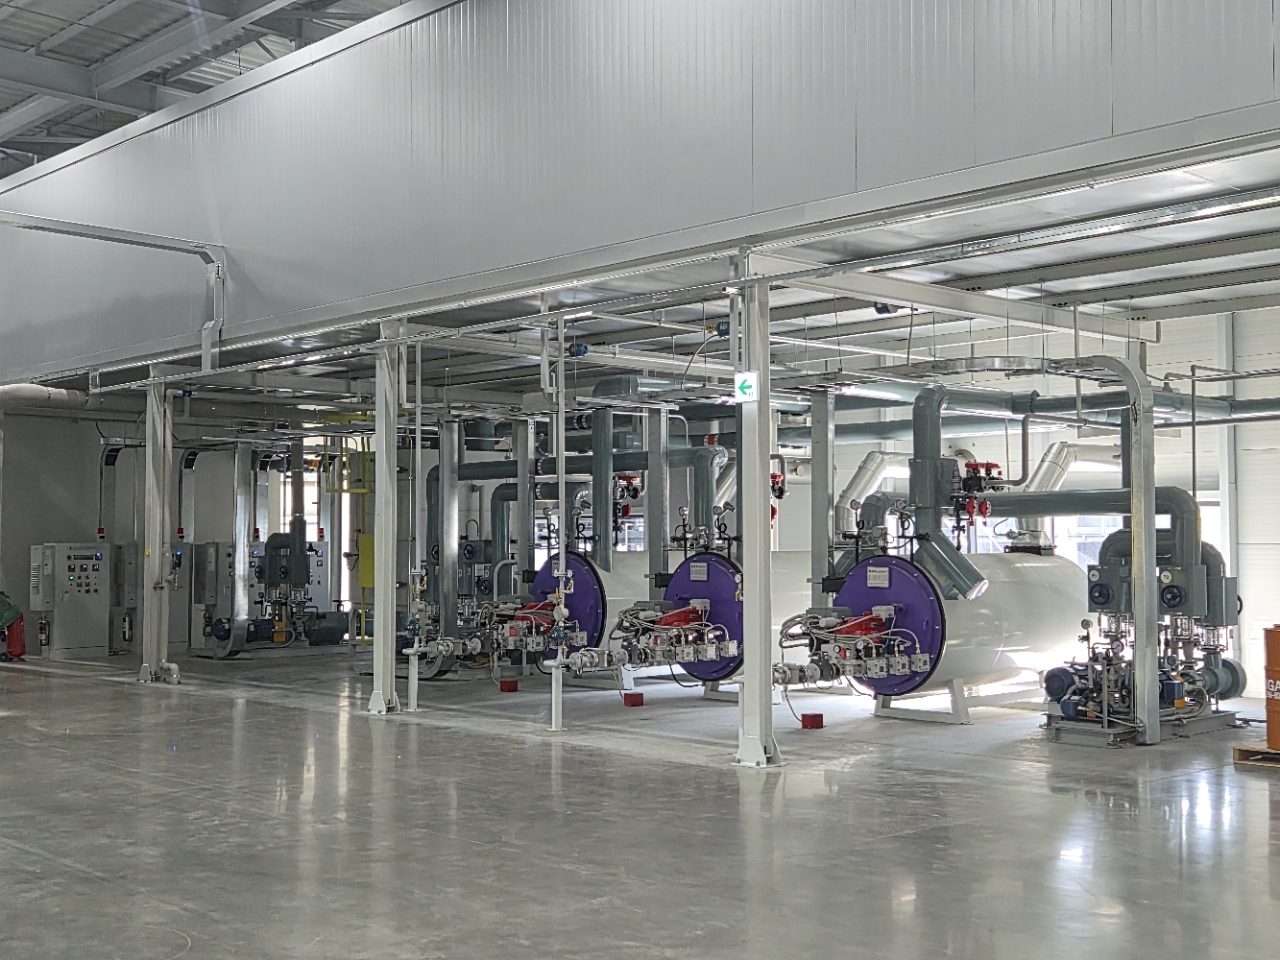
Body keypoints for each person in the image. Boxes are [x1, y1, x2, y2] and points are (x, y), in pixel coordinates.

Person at [0, 590, 25, 662]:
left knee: (15, 645)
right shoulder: (3, 599)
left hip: (10, 616)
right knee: (15, 643)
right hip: (12, 614)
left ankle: (13, 653)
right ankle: (13, 653)